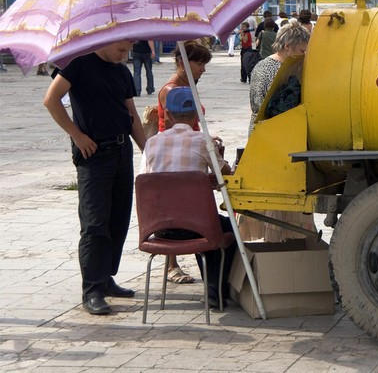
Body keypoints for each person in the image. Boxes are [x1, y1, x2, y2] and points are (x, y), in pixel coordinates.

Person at [43, 40, 146, 315]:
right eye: (122, 50)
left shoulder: (121, 72)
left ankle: (106, 277)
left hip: (122, 151)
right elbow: (51, 100)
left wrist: (148, 150)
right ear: (108, 40)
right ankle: (92, 289)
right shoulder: (78, 64)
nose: (125, 56)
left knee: (118, 219)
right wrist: (77, 135)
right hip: (94, 155)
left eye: (128, 52)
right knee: (95, 223)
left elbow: (132, 115)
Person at [142, 87, 235, 309]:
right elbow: (226, 174)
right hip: (197, 227)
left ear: (168, 116)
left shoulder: (152, 143)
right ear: (196, 116)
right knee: (228, 228)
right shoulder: (203, 141)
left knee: (206, 223)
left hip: (159, 226)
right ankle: (215, 291)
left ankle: (213, 290)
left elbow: (148, 179)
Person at [240, 21, 313, 242]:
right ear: (288, 46)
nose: (304, 55)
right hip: (269, 138)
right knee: (275, 197)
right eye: (301, 50)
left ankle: (288, 238)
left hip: (275, 136)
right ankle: (279, 240)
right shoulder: (269, 68)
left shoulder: (285, 66)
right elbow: (263, 105)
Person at [155, 41, 213, 283]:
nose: (202, 69)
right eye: (198, 63)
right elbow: (175, 130)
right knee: (173, 209)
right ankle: (171, 264)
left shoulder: (188, 85)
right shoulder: (171, 90)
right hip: (174, 154)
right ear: (182, 63)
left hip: (190, 145)